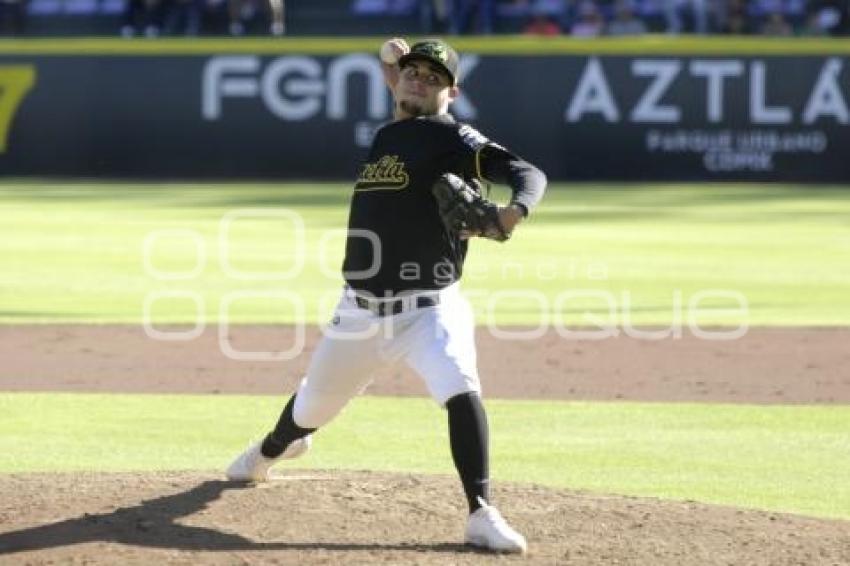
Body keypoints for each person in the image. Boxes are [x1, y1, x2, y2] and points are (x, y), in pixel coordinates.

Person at [226, 37, 546, 554]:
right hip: (358, 311)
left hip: (429, 308)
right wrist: (390, 67)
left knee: (461, 389)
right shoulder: (391, 133)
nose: (420, 79)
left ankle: (481, 512)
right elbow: (405, 103)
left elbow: (528, 173)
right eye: (413, 72)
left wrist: (515, 210)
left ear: (452, 92)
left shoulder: (455, 139)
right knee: (309, 408)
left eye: (434, 76)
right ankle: (270, 451)